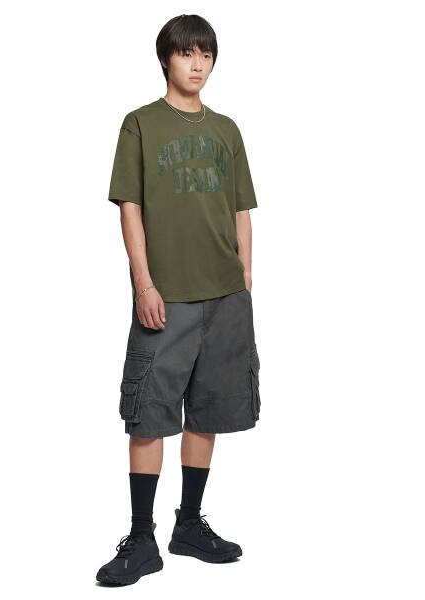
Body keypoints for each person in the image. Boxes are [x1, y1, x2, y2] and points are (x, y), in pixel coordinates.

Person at [96, 14, 261, 586]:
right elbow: (130, 207)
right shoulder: (141, 124)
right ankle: (142, 538)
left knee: (207, 409)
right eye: (187, 53)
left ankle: (188, 524)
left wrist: (245, 276)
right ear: (166, 58)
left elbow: (241, 208)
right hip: (166, 297)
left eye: (206, 55)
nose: (198, 64)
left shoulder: (227, 130)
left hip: (225, 296)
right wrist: (143, 283)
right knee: (148, 413)